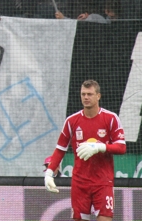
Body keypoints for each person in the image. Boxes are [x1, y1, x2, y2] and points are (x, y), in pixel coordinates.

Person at [44, 80, 125, 221]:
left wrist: (100, 147)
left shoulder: (111, 118)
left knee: (105, 218)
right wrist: (49, 174)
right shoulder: (72, 121)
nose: (86, 97)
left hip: (103, 182)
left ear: (98, 96)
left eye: (90, 94)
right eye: (83, 94)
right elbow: (60, 149)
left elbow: (121, 147)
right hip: (80, 183)